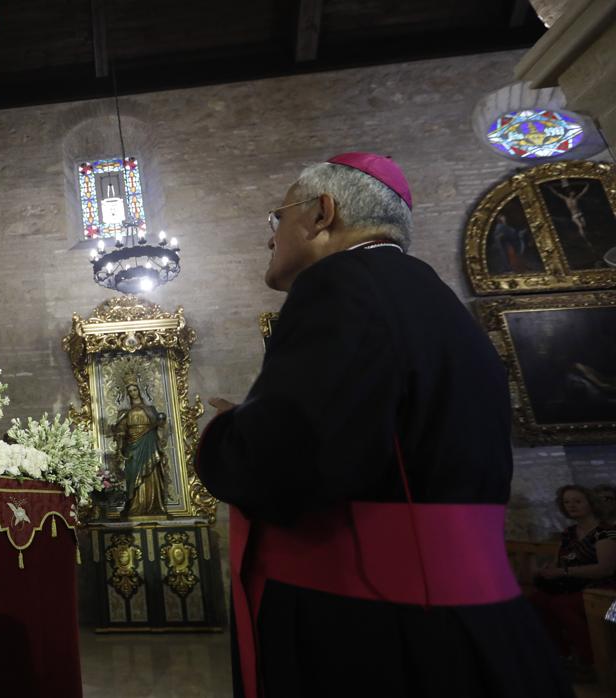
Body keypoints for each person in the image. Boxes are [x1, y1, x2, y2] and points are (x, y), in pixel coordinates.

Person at [196, 152, 570, 697]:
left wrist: (230, 431)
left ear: (322, 214)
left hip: (372, 630)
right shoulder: (435, 299)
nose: (270, 238)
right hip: (473, 618)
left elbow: (286, 464)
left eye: (277, 219)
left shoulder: (337, 285)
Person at [530, 485, 616, 679]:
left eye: (577, 501)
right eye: (567, 502)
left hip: (603, 589)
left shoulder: (606, 532)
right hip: (573, 585)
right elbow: (561, 560)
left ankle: (590, 661)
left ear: (591, 503)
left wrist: (564, 571)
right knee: (538, 600)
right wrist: (546, 571)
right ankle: (562, 655)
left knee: (562, 605)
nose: (572, 506)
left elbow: (605, 569)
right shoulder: (569, 533)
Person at [113, 381, 170, 517]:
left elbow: (159, 425)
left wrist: (161, 425)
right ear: (128, 394)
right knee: (133, 474)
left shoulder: (150, 409)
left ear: (139, 390)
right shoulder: (124, 412)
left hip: (149, 441)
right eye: (130, 391)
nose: (133, 392)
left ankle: (153, 505)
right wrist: (120, 448)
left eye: (135, 389)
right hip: (132, 445)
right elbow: (121, 431)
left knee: (151, 473)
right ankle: (134, 505)